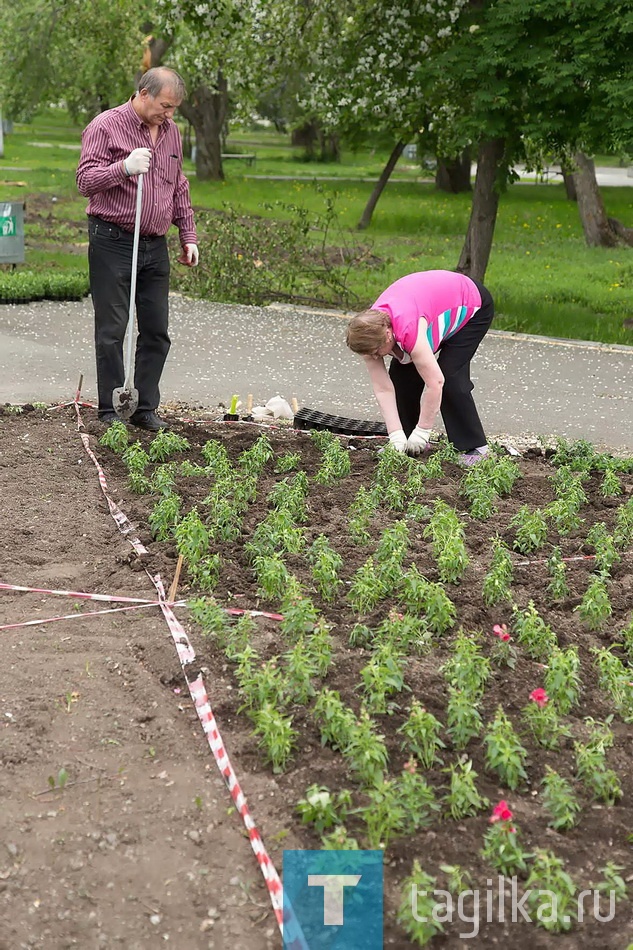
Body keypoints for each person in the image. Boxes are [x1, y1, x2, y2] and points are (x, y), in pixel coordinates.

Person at [76, 66, 198, 430]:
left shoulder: (172, 133)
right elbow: (85, 180)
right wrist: (124, 168)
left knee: (157, 330)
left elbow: (178, 185)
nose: (169, 114)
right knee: (113, 329)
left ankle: (144, 408)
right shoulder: (105, 126)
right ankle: (111, 409)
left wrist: (187, 235)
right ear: (143, 94)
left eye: (174, 108)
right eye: (165, 105)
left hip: (154, 245)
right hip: (113, 240)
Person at [346, 270, 494, 463]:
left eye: (376, 351)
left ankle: (475, 447)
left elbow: (436, 382)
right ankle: (406, 439)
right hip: (427, 306)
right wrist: (395, 435)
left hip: (471, 304)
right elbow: (383, 388)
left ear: (389, 335)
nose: (374, 357)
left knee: (449, 376)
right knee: (401, 376)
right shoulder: (368, 334)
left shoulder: (408, 329)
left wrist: (423, 430)